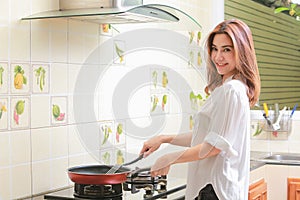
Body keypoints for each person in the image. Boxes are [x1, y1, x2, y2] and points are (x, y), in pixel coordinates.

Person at [140, 19, 261, 200]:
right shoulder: (231, 88)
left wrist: (169, 158)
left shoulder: (231, 90)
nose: (218, 57)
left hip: (215, 190)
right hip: (214, 189)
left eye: (227, 49)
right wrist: (165, 139)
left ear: (242, 51)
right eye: (215, 48)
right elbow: (208, 136)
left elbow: (212, 147)